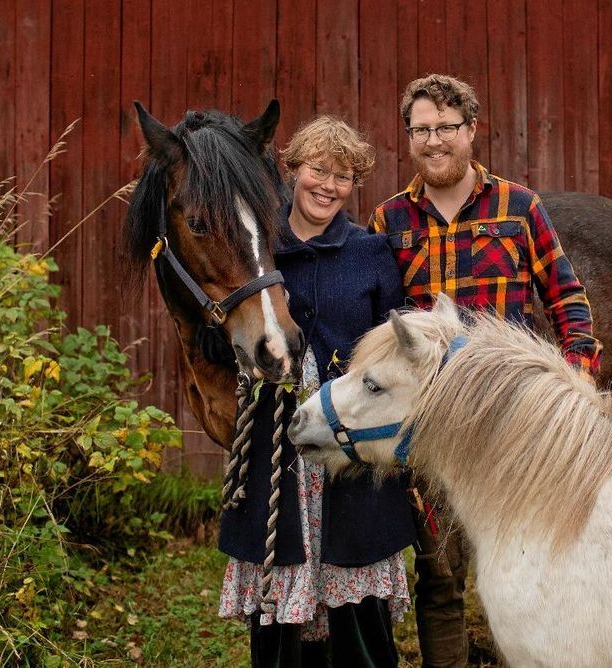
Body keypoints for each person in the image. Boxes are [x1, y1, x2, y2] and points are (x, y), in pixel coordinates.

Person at [368, 74, 603, 667]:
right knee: (440, 574)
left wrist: (578, 374)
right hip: (432, 425)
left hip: (509, 423)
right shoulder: (390, 221)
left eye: (446, 127)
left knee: (524, 562)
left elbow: (567, 297)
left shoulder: (519, 208)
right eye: (422, 129)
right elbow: (373, 317)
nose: (434, 140)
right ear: (410, 139)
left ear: (472, 131)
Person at [217, 115, 416, 667]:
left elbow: (391, 345)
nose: (328, 186)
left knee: (355, 584)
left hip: (347, 431)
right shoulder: (260, 246)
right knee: (281, 576)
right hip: (276, 434)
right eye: (318, 170)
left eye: (344, 177)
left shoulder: (370, 252)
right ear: (293, 170)